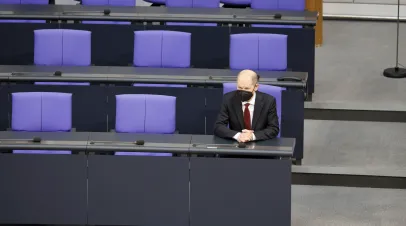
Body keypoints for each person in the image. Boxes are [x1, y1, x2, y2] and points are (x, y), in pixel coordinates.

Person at [214, 69, 279, 142]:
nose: (242, 91)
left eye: (246, 88)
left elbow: (273, 129)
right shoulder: (228, 99)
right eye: (240, 88)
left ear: (256, 87)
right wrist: (238, 135)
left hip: (260, 145)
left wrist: (252, 136)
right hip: (236, 146)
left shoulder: (269, 101)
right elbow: (218, 126)